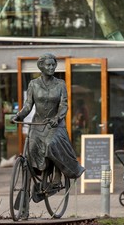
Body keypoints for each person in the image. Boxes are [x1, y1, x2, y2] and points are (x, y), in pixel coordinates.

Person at [11, 53, 85, 183]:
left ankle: (58, 170)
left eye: (53, 65)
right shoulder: (33, 84)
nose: (51, 67)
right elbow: (28, 106)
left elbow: (64, 105)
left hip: (55, 124)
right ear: (41, 66)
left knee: (51, 144)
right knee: (31, 147)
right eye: (48, 65)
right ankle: (30, 182)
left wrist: (57, 118)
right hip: (38, 124)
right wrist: (18, 115)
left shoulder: (60, 84)